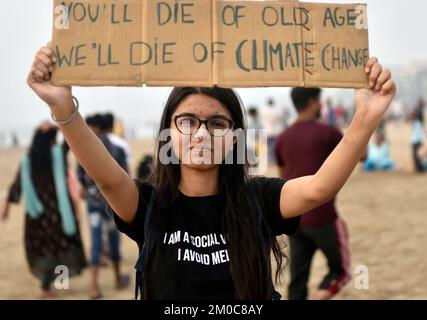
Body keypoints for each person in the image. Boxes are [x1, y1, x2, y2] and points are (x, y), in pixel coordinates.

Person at [27, 45, 395, 300]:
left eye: (217, 123)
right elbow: (107, 177)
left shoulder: (259, 199)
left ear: (234, 136)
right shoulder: (150, 205)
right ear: (169, 130)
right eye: (187, 121)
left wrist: (367, 116)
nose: (202, 133)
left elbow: (318, 188)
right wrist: (63, 107)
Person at [275, 88, 353, 300]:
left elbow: (282, 178)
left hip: (294, 220)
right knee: (341, 271)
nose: (321, 105)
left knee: (297, 279)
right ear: (312, 102)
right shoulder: (328, 133)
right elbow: (360, 155)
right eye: (319, 100)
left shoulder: (283, 137)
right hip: (323, 215)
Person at [0, 123, 87, 298]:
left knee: (45, 250)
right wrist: (61, 123)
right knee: (61, 247)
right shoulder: (58, 155)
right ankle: (50, 286)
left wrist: (6, 207)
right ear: (51, 140)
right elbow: (70, 140)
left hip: (37, 216)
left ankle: (48, 286)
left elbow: (16, 186)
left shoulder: (28, 160)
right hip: (58, 214)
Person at [77, 114, 130, 299]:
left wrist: (87, 189)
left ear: (97, 128)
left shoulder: (84, 150)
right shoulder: (117, 149)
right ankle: (116, 279)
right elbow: (126, 177)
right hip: (111, 205)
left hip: (94, 205)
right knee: (113, 241)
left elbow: (80, 175)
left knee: (96, 242)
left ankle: (94, 287)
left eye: (90, 126)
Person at [260, 98, 284, 164]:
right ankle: (275, 159)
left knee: (269, 147)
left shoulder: (264, 110)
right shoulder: (276, 111)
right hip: (276, 132)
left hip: (267, 131)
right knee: (275, 147)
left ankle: (271, 160)